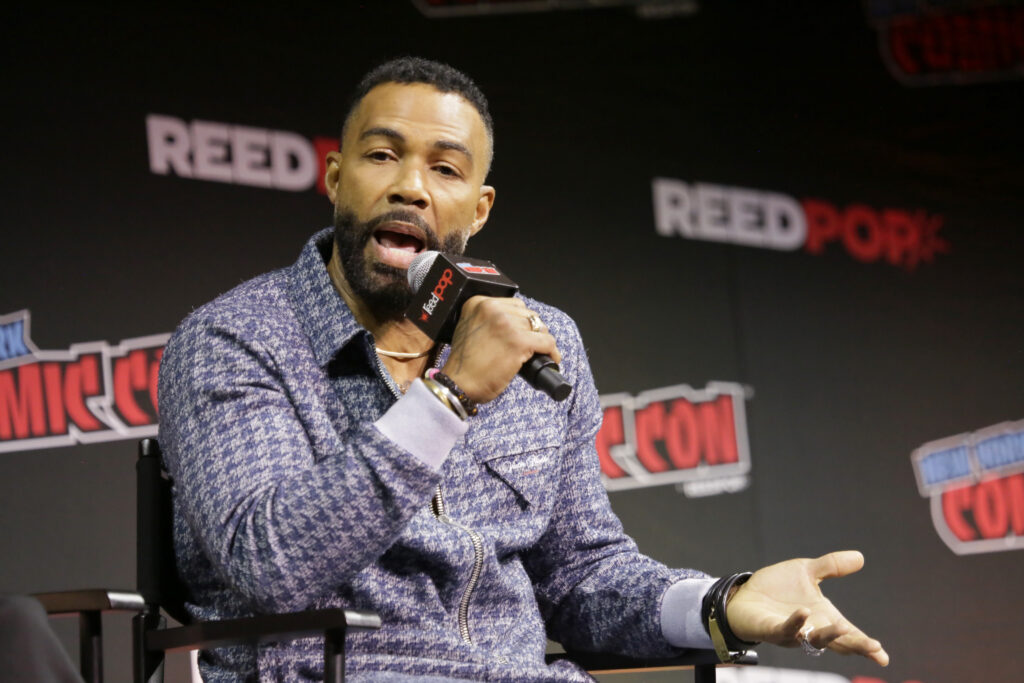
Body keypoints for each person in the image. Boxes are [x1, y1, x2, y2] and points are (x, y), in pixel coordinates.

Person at [158, 57, 889, 682]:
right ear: (336, 176)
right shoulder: (235, 338)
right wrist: (450, 397)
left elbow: (581, 575)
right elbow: (270, 563)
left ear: (477, 209)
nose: (410, 186)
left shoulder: (536, 335)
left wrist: (720, 603)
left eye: (444, 168)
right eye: (383, 156)